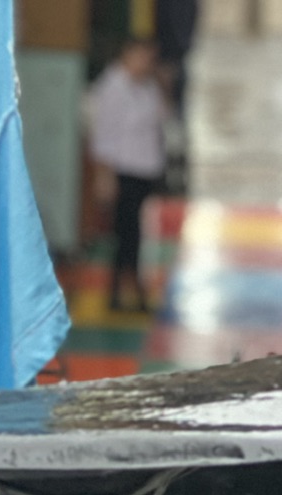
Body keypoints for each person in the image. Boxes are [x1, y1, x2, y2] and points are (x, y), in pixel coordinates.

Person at [84, 39, 167, 313]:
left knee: (137, 234)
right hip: (122, 169)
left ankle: (134, 288)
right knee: (124, 233)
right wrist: (104, 176)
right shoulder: (112, 88)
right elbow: (104, 135)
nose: (146, 63)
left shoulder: (149, 87)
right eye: (142, 57)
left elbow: (160, 120)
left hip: (144, 168)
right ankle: (118, 289)